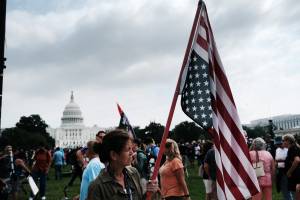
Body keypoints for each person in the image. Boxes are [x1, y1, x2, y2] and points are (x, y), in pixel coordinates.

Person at [87, 129, 158, 200]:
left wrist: (150, 192)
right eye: (128, 149)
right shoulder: (97, 187)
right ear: (114, 155)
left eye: (132, 149)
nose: (132, 152)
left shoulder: (133, 173)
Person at [283, 134, 300, 199]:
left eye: (284, 140)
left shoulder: (293, 148)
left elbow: (297, 160)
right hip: (295, 175)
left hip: (295, 176)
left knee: (296, 194)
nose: (283, 142)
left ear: (288, 141)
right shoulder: (295, 147)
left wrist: (289, 172)